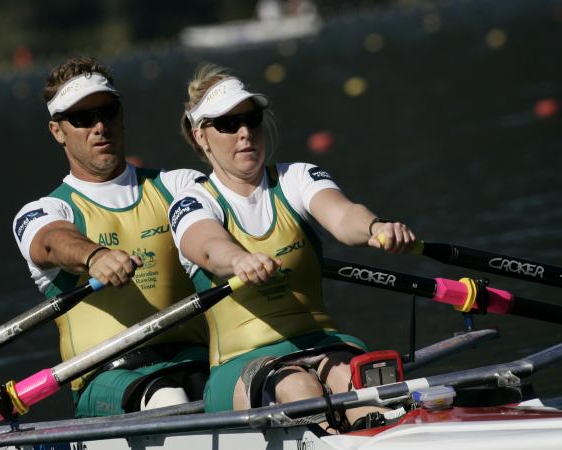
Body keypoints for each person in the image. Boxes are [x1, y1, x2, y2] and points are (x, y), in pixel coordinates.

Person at [169, 64, 417, 432]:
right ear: (200, 136)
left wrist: (374, 227)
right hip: (239, 366)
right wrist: (238, 259)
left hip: (326, 344)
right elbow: (206, 246)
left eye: (251, 119)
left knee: (361, 382)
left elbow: (342, 215)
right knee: (298, 386)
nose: (244, 133)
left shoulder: (296, 178)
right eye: (227, 124)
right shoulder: (191, 202)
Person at [12, 57, 208, 418]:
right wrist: (94, 256)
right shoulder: (44, 212)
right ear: (57, 131)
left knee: (256, 384)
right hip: (107, 378)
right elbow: (51, 241)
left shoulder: (176, 185)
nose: (99, 126)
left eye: (108, 112)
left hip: (197, 360)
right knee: (168, 399)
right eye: (83, 119)